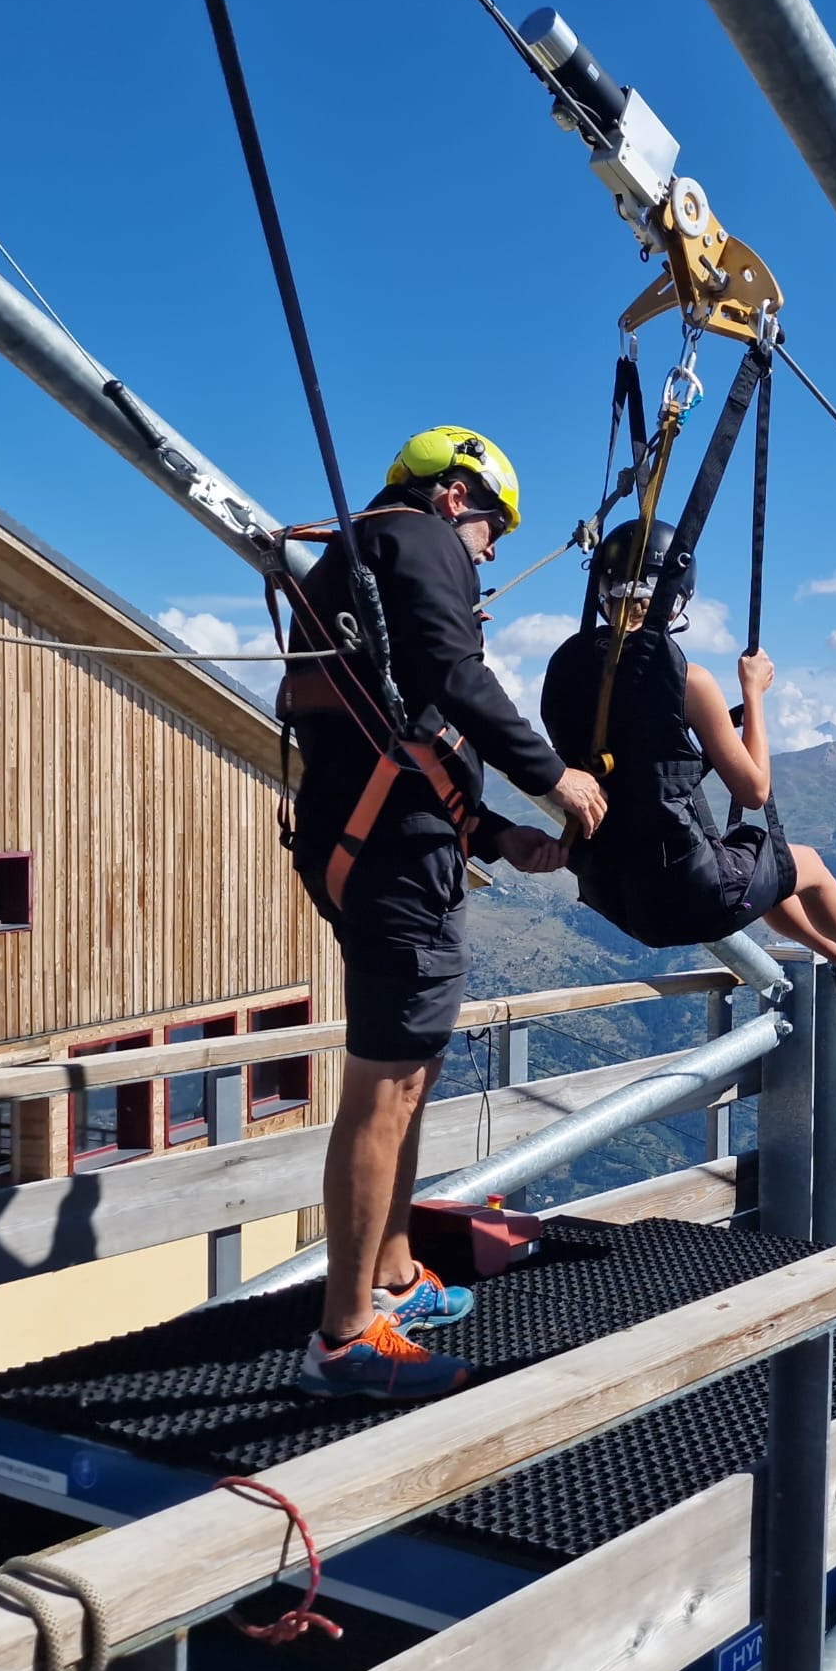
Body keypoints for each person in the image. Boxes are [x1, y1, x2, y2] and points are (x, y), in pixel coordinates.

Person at [280, 427, 607, 1400]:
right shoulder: (417, 541)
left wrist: (494, 833)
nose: (494, 551)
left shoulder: (359, 556)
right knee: (385, 1085)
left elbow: (402, 728)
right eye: (493, 527)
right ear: (456, 492)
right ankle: (344, 1339)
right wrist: (558, 782)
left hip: (378, 840)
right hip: (391, 860)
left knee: (409, 1072)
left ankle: (389, 1275)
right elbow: (456, 679)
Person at [541, 517, 836, 984]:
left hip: (612, 890)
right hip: (684, 891)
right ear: (676, 594)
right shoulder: (687, 680)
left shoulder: (565, 670)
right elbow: (754, 790)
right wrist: (754, 692)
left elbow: (639, 761)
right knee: (806, 865)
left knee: (771, 870)